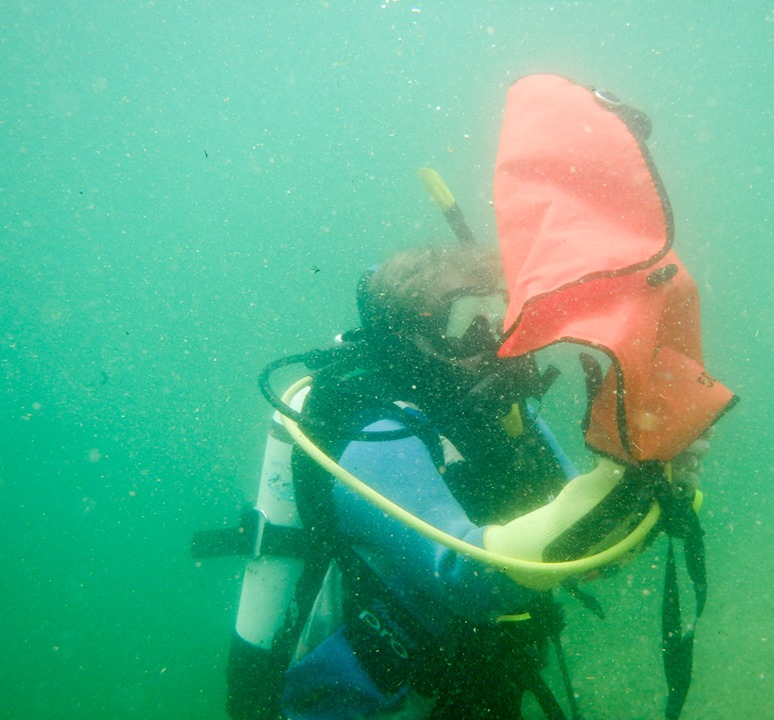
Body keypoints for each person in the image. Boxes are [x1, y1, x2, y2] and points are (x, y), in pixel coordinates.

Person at [210, 74, 735, 720]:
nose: (495, 344)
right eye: (465, 323)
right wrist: (619, 482)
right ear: (409, 340)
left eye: (501, 315)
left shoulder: (503, 416)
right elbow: (472, 574)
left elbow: (581, 554)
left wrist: (653, 476)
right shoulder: (369, 428)